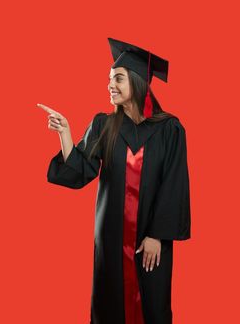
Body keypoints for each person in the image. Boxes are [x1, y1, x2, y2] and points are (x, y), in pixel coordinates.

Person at [37, 37, 191, 324]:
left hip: (150, 241)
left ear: (137, 82)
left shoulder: (170, 129)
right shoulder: (104, 125)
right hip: (110, 240)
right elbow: (80, 171)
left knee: (152, 305)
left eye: (118, 78)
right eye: (109, 79)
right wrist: (65, 133)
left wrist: (158, 234)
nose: (110, 84)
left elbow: (175, 183)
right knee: (110, 306)